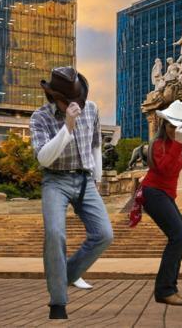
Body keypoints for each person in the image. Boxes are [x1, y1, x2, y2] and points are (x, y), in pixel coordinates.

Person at [30, 66, 113, 320]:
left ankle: (64, 276)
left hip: (86, 179)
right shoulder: (40, 118)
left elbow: (96, 144)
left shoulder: (93, 109)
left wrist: (97, 178)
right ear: (56, 97)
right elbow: (44, 158)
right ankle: (58, 303)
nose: (78, 105)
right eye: (71, 101)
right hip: (56, 180)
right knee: (55, 234)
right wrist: (67, 126)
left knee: (104, 234)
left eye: (80, 99)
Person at [138, 99, 182, 305]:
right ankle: (164, 290)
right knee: (178, 237)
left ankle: (169, 288)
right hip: (153, 193)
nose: (174, 130)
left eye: (178, 126)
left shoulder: (176, 144)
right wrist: (179, 144)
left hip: (165, 195)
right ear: (164, 125)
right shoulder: (159, 144)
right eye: (171, 125)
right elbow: (165, 169)